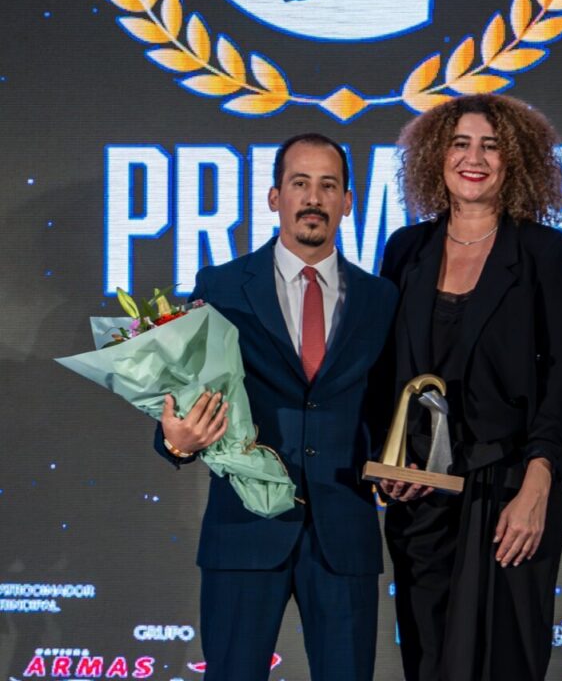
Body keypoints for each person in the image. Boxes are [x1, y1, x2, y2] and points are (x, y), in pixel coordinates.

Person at [155, 133, 398, 681]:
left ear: (347, 202)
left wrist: (399, 464)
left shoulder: (380, 299)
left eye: (328, 185)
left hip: (344, 537)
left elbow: (387, 407)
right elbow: (181, 393)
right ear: (273, 197)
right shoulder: (221, 287)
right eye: (300, 183)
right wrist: (176, 441)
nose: (314, 198)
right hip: (243, 533)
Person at [379, 94, 562, 681]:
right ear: (435, 158)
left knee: (505, 662)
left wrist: (539, 484)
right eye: (461, 144)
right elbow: (388, 371)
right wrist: (389, 458)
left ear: (514, 161)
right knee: (430, 660)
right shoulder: (406, 249)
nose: (475, 158)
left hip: (511, 494)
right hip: (423, 498)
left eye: (492, 146)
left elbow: (561, 374)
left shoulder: (546, 252)